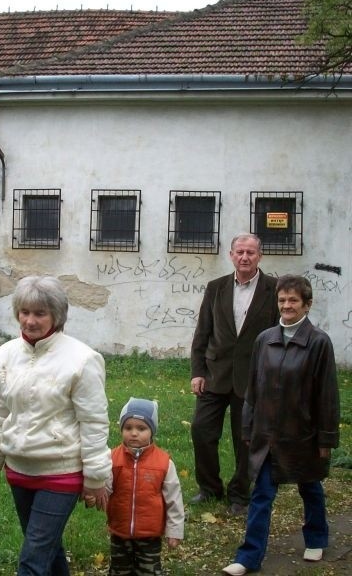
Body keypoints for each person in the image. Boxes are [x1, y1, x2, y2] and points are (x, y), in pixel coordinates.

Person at [0, 275, 112, 576]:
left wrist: (96, 476)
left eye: (40, 313)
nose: (30, 320)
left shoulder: (82, 359)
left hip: (60, 472)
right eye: (24, 312)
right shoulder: (4, 356)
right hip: (18, 470)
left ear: (57, 316)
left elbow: (93, 422)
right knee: (48, 552)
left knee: (32, 560)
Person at [223, 275, 340, 575]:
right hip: (267, 435)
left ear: (307, 304)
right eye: (282, 300)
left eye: (293, 301)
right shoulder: (265, 339)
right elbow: (253, 388)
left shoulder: (318, 343)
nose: (287, 306)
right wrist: (248, 428)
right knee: (261, 495)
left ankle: (316, 538)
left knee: (310, 487)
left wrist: (326, 440)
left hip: (302, 435)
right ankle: (248, 557)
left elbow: (327, 394)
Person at [190, 233, 279, 515]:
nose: (244, 257)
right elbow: (203, 331)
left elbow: (279, 335)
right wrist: (197, 372)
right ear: (231, 255)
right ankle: (209, 488)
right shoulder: (215, 287)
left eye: (250, 253)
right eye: (239, 252)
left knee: (245, 440)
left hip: (253, 378)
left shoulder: (274, 289)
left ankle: (240, 495)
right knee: (201, 431)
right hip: (215, 374)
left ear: (260, 256)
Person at [104, 397, 184, 576]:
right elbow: (106, 486)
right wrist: (94, 492)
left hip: (150, 534)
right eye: (128, 428)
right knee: (119, 570)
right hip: (120, 530)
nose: (134, 433)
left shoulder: (163, 463)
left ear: (152, 431)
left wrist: (175, 530)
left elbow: (174, 498)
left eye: (141, 428)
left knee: (149, 571)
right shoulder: (112, 459)